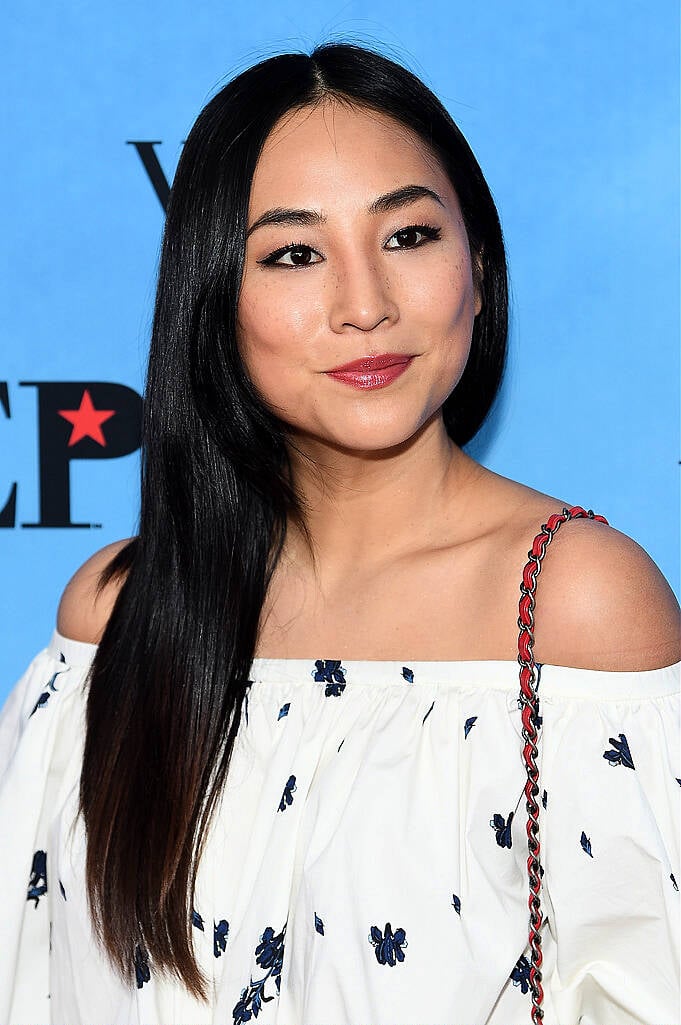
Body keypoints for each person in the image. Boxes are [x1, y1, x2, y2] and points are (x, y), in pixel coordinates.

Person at [0, 41, 679, 1025]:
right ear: (215, 303)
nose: (365, 306)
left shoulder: (575, 604)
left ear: (478, 270)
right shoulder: (118, 616)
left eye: (408, 236)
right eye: (295, 253)